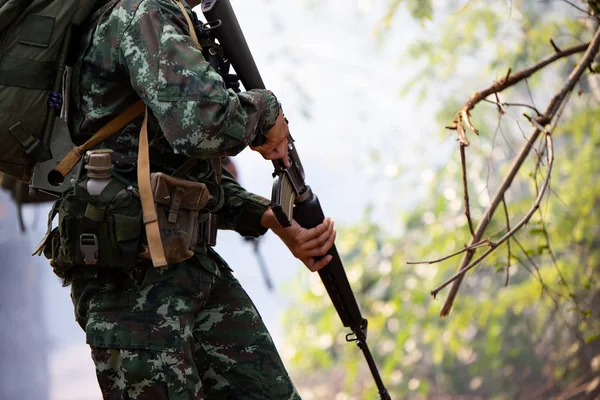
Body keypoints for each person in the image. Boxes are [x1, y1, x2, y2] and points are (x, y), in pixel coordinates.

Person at [58, 0, 337, 398]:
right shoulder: (143, 14)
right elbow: (203, 125)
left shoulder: (168, 19)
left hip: (189, 267)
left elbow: (183, 171)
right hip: (133, 288)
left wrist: (270, 217)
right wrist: (267, 112)